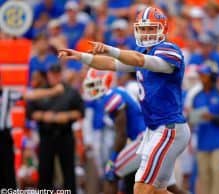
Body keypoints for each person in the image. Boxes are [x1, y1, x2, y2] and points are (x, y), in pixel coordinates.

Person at [58, 6, 190, 194]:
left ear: (163, 29)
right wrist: (81, 56)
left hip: (168, 129)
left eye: (151, 28)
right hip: (155, 130)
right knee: (160, 190)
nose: (146, 33)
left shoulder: (169, 50)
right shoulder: (142, 52)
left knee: (141, 188)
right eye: (143, 29)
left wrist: (110, 49)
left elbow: (138, 60)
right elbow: (112, 64)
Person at [83, 68, 188, 194]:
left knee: (112, 173)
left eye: (93, 84)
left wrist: (113, 158)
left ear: (105, 81)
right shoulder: (118, 91)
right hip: (151, 136)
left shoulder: (111, 97)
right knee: (169, 187)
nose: (91, 88)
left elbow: (121, 134)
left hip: (143, 139)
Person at [27, 64, 84, 193]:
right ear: (48, 75)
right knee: (45, 170)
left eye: (57, 74)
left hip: (65, 134)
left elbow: (80, 112)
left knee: (68, 170)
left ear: (61, 74)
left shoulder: (70, 91)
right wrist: (45, 116)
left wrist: (65, 115)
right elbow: (30, 113)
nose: (55, 77)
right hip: (46, 135)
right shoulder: (41, 91)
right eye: (52, 74)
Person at [190, 64, 219, 194]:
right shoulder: (197, 96)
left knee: (216, 169)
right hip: (203, 140)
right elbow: (192, 118)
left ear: (211, 77)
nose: (201, 77)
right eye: (200, 74)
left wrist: (212, 117)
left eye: (204, 75)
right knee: (204, 174)